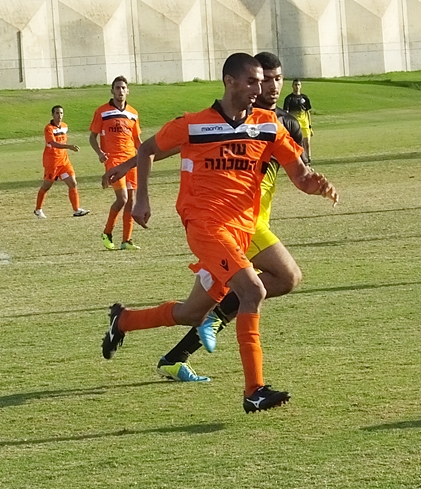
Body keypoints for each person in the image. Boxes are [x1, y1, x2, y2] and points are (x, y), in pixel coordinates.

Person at [101, 53, 338, 413]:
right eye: (252, 81)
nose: (260, 88)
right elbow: (148, 148)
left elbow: (300, 176)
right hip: (205, 227)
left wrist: (317, 185)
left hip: (243, 230)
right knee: (253, 289)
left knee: (192, 313)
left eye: (263, 81)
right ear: (230, 82)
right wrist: (142, 198)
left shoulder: (269, 126)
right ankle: (254, 390)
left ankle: (124, 320)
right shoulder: (195, 124)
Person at [155, 51, 306, 382]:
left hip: (250, 221)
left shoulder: (284, 124)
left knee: (197, 307)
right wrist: (129, 163)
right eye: (263, 79)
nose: (270, 86)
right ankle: (252, 384)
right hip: (235, 223)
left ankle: (174, 353)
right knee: (275, 281)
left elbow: (301, 169)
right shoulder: (221, 120)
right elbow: (177, 145)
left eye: (277, 78)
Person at [89, 76, 142, 250]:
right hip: (113, 160)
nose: (120, 91)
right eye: (117, 88)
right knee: (122, 198)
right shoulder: (102, 112)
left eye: (123, 88)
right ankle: (107, 232)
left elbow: (137, 140)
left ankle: (126, 240)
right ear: (112, 91)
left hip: (131, 160)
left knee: (131, 200)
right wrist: (100, 153)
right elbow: (92, 137)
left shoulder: (133, 113)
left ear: (128, 91)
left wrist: (145, 155)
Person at [34, 105, 89, 218]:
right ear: (52, 115)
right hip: (52, 162)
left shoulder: (64, 126)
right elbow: (53, 143)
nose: (59, 115)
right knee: (46, 186)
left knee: (72, 183)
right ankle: (38, 209)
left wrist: (66, 148)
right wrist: (69, 146)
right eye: (57, 113)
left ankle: (76, 210)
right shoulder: (49, 128)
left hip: (64, 161)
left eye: (61, 113)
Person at [283, 79, 313, 164]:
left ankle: (308, 159)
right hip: (295, 124)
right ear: (292, 86)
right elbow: (286, 114)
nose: (297, 86)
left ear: (301, 86)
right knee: (298, 143)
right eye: (295, 85)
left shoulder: (305, 98)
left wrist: (310, 126)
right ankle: (299, 160)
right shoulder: (289, 99)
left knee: (307, 142)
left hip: (305, 123)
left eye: (298, 85)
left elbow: (308, 112)